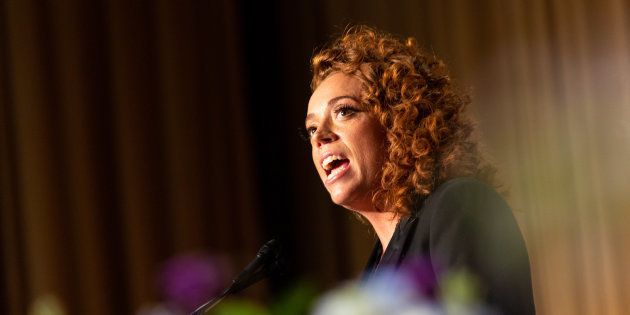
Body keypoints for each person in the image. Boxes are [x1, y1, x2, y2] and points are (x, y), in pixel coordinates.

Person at [304, 25, 535, 314]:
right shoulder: (375, 270)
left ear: (399, 121)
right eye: (311, 128)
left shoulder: (459, 205)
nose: (320, 136)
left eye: (344, 111)